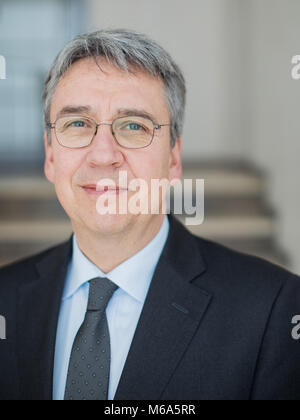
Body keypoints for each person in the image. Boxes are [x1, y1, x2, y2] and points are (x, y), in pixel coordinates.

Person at [0, 29, 300, 401]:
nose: (103, 155)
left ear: (173, 158)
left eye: (133, 126)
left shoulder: (272, 309)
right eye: (77, 124)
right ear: (49, 154)